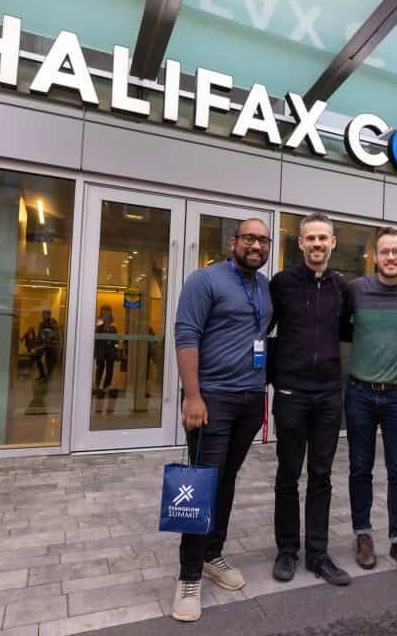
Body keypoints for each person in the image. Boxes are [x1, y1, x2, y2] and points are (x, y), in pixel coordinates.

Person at [171, 218, 274, 623]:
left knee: (226, 479)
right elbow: (186, 336)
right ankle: (188, 576)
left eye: (263, 240)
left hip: (250, 399)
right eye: (249, 238)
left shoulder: (265, 288)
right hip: (211, 398)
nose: (257, 245)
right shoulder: (204, 280)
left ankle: (213, 554)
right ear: (234, 242)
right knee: (201, 484)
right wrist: (193, 396)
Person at [269, 212, 351, 586]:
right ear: (300, 243)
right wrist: (269, 379)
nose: (317, 244)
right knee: (288, 475)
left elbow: (350, 335)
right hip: (290, 394)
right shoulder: (281, 284)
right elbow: (261, 332)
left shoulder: (342, 288)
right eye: (311, 238)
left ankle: (317, 554)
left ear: (333, 243)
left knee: (321, 476)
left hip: (328, 397)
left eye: (324, 238)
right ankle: (287, 550)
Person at [345, 226, 397, 575]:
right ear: (374, 256)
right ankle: (363, 534)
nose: (390, 257)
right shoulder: (355, 291)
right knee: (360, 468)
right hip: (360, 393)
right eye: (384, 251)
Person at [34, 310, 61, 382]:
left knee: (49, 362)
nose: (42, 315)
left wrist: (50, 341)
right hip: (43, 345)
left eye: (44, 314)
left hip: (51, 346)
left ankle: (47, 377)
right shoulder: (42, 323)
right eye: (42, 314)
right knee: (37, 358)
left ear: (49, 315)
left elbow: (55, 333)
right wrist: (37, 345)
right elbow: (40, 334)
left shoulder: (53, 322)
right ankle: (42, 374)